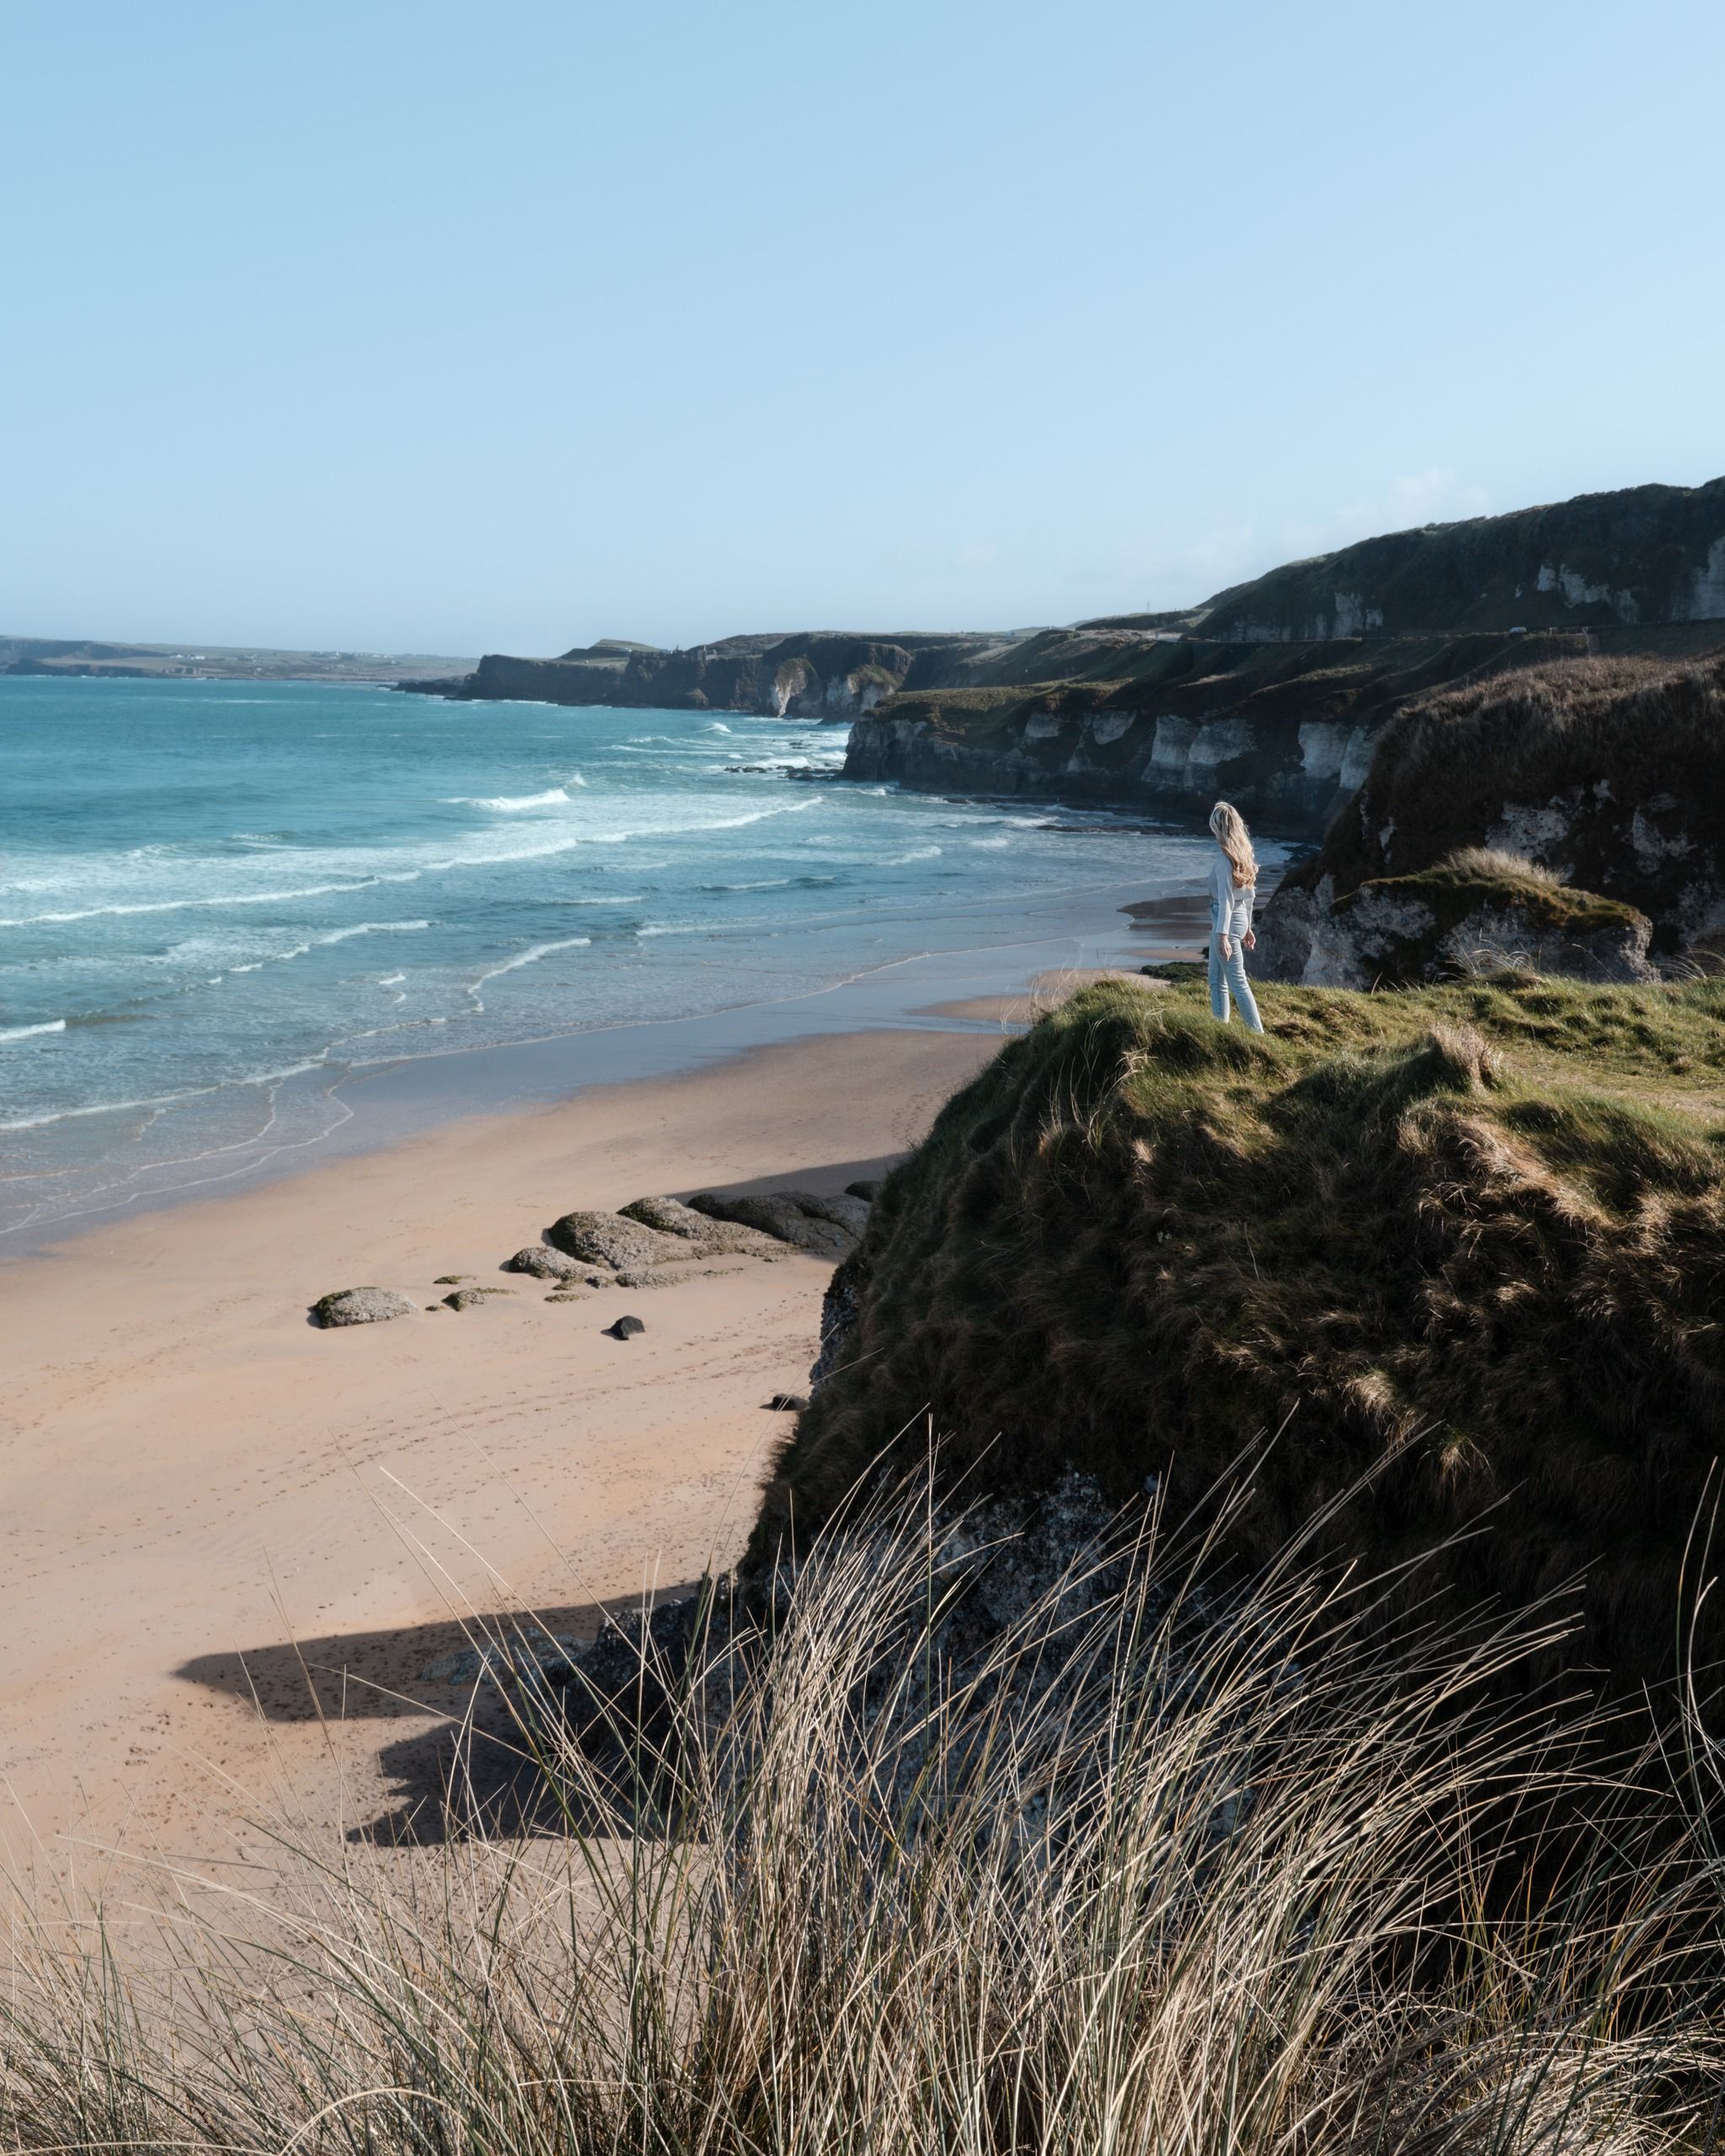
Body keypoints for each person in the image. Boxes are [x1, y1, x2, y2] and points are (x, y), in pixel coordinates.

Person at [1206, 800, 1263, 1033]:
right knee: (1216, 980)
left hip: (1225, 921)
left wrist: (1222, 936)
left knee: (1237, 983)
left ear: (1217, 828)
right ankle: (1222, 1031)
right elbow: (1249, 896)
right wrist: (1248, 927)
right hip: (1237, 918)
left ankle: (1258, 1034)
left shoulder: (1223, 861)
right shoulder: (1243, 855)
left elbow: (1226, 901)